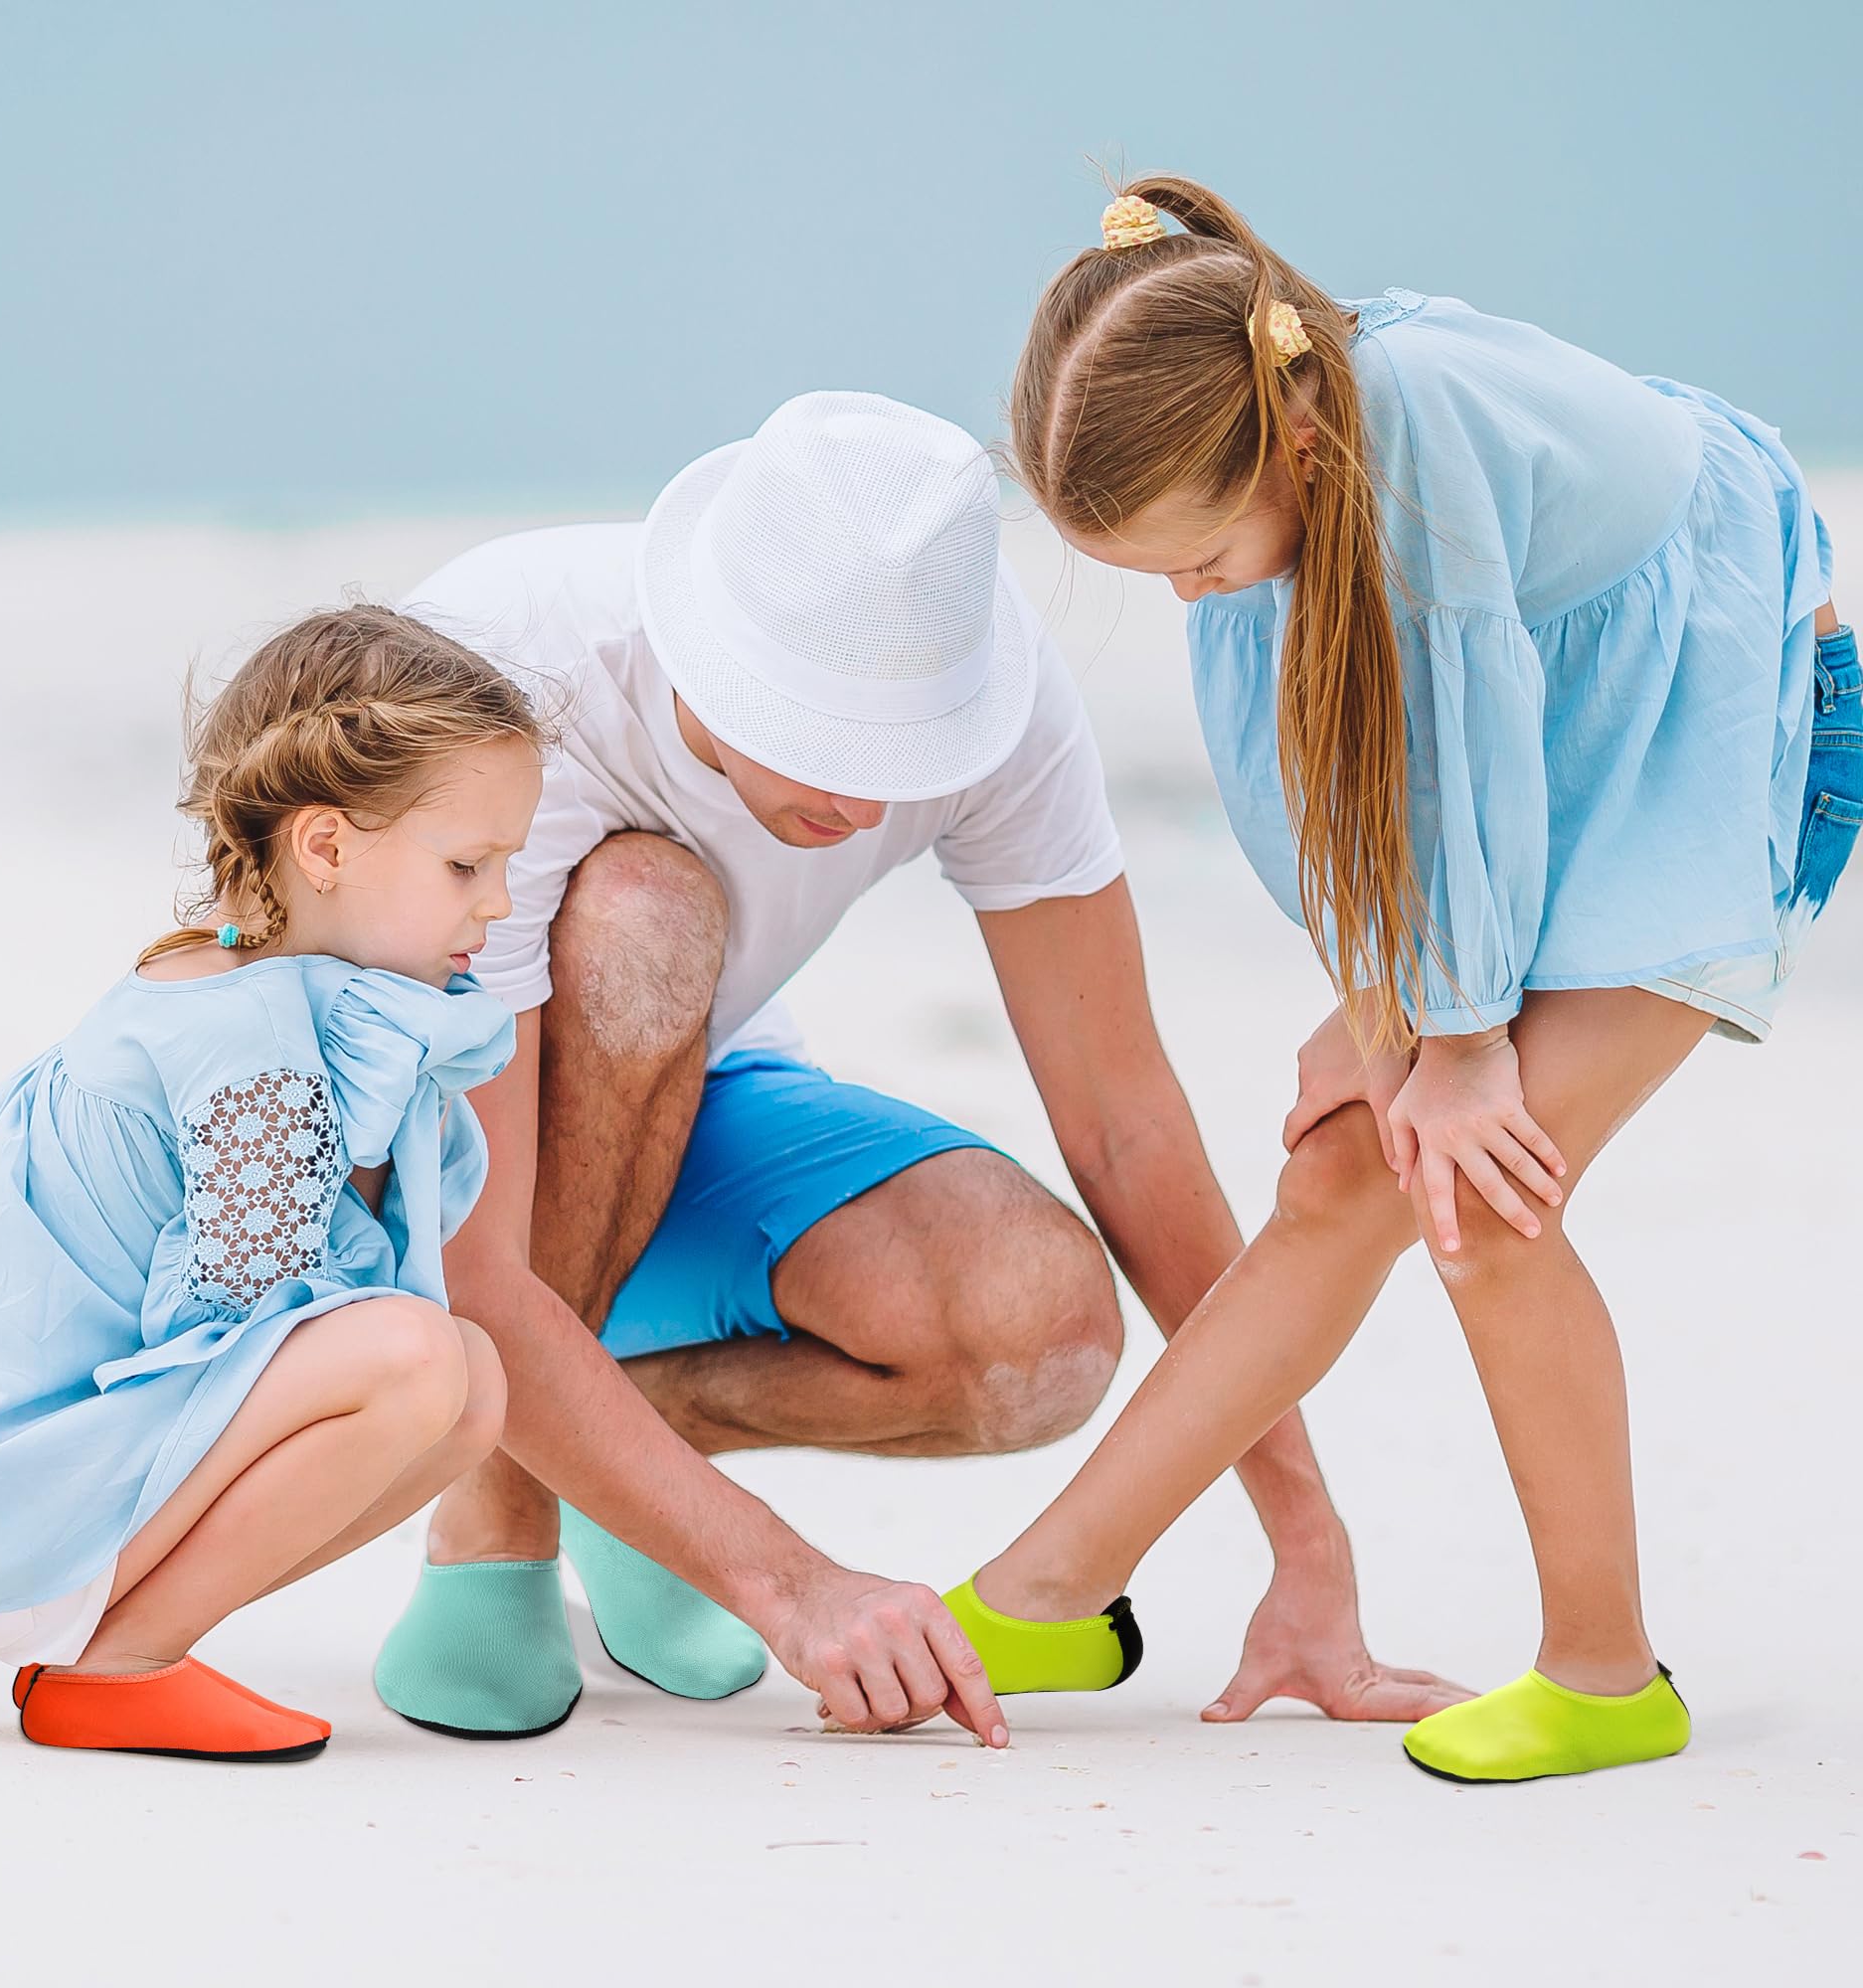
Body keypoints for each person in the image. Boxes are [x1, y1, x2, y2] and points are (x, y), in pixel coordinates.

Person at [371, 390, 1463, 1743]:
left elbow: (1125, 1124)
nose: (866, 803)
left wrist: (1305, 1542)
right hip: (395, 1170)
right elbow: (476, 1266)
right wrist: (790, 1582)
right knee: (648, 913)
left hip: (675, 1106)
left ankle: (618, 1464)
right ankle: (495, 1524)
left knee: (1041, 1333)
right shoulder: (510, 690)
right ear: (707, 657)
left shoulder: (993, 691)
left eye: (901, 753)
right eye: (826, 745)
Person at [936, 178, 1855, 1783]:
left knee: (1477, 1193)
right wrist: (1381, 1009)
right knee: (1342, 1171)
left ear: (1288, 443)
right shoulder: (1277, 484)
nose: (1188, 593)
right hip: (1560, 750)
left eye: (1199, 556)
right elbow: (1308, 771)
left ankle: (1605, 1673)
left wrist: (1461, 1040)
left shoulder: (1409, 433)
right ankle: (1051, 1596)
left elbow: (1468, 734)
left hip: (1716, 719)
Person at [0, 607, 550, 1761]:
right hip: (20, 1518)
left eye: (505, 866)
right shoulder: (249, 1046)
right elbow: (240, 1311)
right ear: (325, 846)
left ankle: (110, 1651)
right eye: (466, 864)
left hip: (39, 1507)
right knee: (421, 1358)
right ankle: (119, 1664)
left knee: (475, 1384)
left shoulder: (241, 982)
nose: (496, 901)